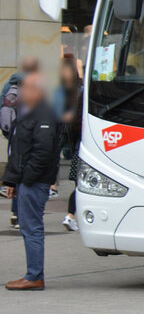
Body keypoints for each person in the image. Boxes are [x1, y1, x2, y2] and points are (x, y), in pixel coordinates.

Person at [3, 71, 59, 290]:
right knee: (28, 227)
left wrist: (26, 180)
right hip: (26, 180)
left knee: (32, 228)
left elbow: (43, 152)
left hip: (34, 182)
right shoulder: (29, 111)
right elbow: (18, 150)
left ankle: (34, 276)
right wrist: (12, 181)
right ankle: (33, 274)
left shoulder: (43, 113)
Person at [1, 56, 40, 228]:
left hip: (12, 134)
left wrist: (7, 132)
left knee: (15, 170)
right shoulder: (31, 86)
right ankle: (21, 213)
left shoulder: (8, 86)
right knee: (25, 174)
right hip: (27, 134)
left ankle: (15, 213)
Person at [54, 57, 83, 231]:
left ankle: (71, 215)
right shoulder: (77, 91)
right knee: (81, 184)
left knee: (79, 183)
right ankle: (71, 215)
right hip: (80, 145)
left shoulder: (77, 91)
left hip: (77, 145)